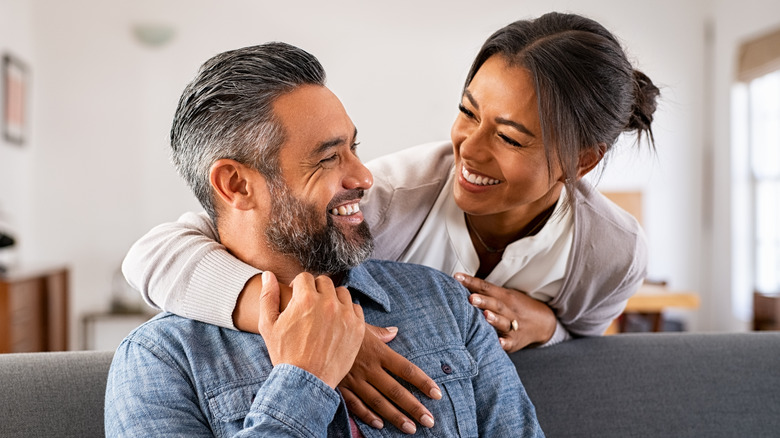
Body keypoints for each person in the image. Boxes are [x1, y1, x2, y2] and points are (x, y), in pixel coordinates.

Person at [122, 11, 659, 432]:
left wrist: (549, 327)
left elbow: (584, 342)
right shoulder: (387, 197)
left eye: (511, 137)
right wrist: (315, 330)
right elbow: (165, 250)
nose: (468, 150)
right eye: (467, 112)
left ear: (581, 161)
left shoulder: (611, 251)